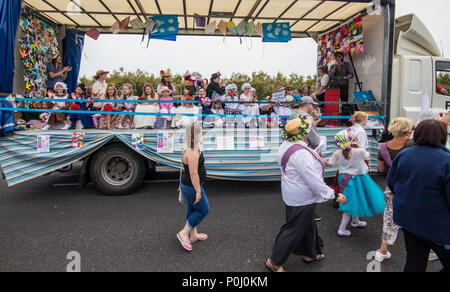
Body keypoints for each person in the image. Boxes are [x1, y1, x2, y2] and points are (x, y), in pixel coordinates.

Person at [266, 117, 347, 272]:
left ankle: (311, 253)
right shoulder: (301, 153)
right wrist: (334, 195)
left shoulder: (286, 145)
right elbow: (313, 181)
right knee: (294, 228)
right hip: (302, 197)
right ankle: (274, 261)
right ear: (304, 133)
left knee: (307, 223)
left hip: (293, 193)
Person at [387, 119, 450, 272]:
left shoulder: (404, 155)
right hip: (439, 225)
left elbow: (392, 182)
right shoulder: (446, 160)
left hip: (409, 220)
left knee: (414, 262)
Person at [327, 129, 385, 237]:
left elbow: (330, 163)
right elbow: (367, 156)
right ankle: (341, 229)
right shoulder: (358, 151)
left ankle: (355, 221)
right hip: (357, 179)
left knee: (353, 199)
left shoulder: (337, 152)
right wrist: (358, 145)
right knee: (350, 203)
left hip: (344, 178)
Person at [375, 117, 414, 262]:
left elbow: (380, 168)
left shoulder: (384, 147)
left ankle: (382, 250)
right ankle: (428, 249)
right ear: (407, 130)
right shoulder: (412, 145)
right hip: (411, 186)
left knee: (389, 218)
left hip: (394, 187)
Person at [177, 123, 209, 252]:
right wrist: (198, 191)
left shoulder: (190, 146)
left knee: (192, 208)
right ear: (195, 135)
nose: (202, 134)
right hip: (191, 186)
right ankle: (184, 233)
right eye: (200, 132)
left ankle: (193, 234)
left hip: (188, 185)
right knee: (203, 210)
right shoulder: (192, 152)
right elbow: (193, 173)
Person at [329, 51, 354, 125]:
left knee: (344, 103)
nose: (337, 58)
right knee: (334, 103)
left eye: (339, 56)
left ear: (342, 57)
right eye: (336, 57)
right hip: (335, 85)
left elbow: (351, 74)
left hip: (344, 85)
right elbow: (330, 75)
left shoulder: (347, 64)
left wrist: (346, 77)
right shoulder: (332, 66)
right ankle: (333, 121)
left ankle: (345, 121)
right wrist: (333, 69)